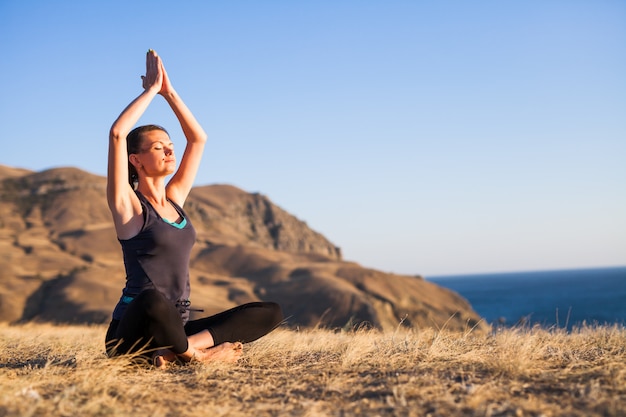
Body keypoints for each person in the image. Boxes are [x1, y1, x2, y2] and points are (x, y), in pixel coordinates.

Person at [105, 50, 283, 367]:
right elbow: (118, 134)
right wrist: (149, 92)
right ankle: (194, 356)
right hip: (132, 331)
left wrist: (169, 92)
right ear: (135, 160)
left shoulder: (175, 198)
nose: (169, 150)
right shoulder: (130, 207)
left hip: (175, 325)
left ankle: (172, 353)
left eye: (170, 145)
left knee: (268, 312)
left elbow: (198, 139)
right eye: (159, 147)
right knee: (152, 301)